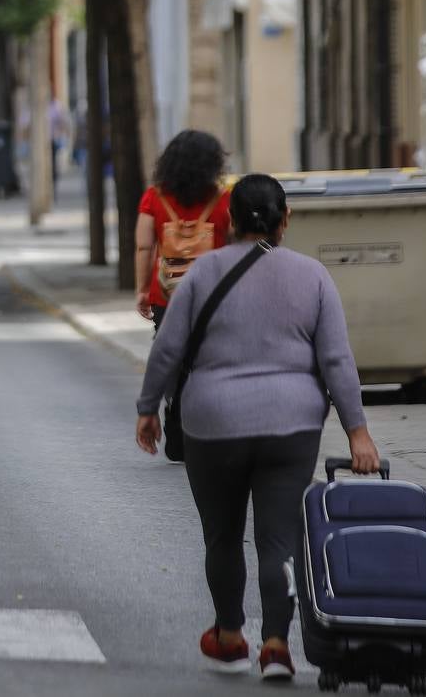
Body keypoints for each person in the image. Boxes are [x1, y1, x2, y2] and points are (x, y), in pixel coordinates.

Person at [135, 173, 380, 681]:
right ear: (285, 220)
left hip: (212, 424)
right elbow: (337, 359)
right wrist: (358, 431)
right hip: (290, 428)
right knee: (278, 538)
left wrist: (147, 408)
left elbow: (168, 349)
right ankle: (274, 645)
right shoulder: (312, 277)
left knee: (222, 536)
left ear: (227, 222)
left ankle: (228, 636)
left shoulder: (202, 276)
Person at [135, 130, 233, 326]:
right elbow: (236, 244)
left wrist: (143, 290)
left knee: (169, 351)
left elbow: (144, 247)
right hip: (214, 295)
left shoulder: (153, 197)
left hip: (167, 294)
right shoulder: (225, 200)